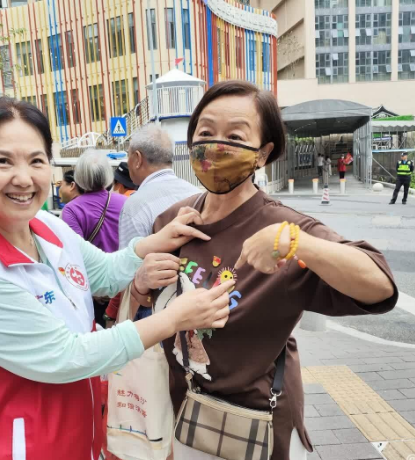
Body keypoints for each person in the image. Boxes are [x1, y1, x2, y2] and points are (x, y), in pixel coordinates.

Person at [0, 98, 233, 460]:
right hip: (13, 445)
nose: (23, 178)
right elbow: (67, 356)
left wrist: (155, 241)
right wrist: (174, 318)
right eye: (3, 161)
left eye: (36, 160)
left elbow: (104, 272)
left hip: (74, 431)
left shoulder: (44, 226)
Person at [150, 80, 397, 460]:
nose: (215, 146)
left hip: (255, 427)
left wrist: (297, 243)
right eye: (206, 132)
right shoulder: (173, 221)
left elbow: (380, 285)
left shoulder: (284, 227)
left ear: (263, 153)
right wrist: (140, 283)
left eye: (235, 136)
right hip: (183, 415)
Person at [115, 124, 199, 322]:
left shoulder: (135, 205)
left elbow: (128, 272)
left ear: (137, 159)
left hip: (154, 309)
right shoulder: (197, 194)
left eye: (128, 156)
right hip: (194, 300)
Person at [61, 150, 128, 325]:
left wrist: (94, 289)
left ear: (79, 178)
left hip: (93, 291)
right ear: (108, 175)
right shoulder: (125, 203)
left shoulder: (71, 210)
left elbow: (74, 256)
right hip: (123, 288)